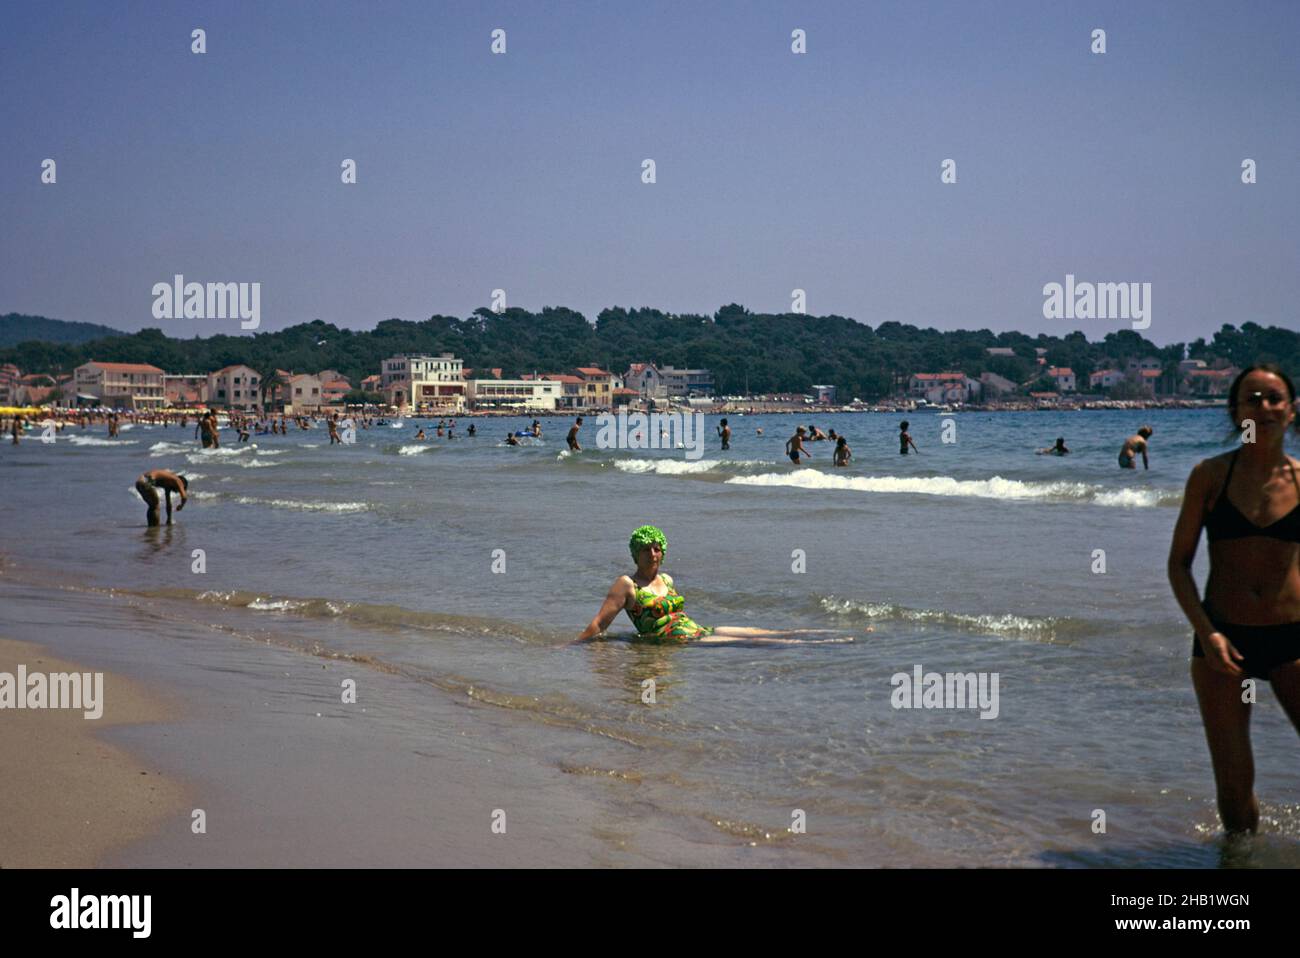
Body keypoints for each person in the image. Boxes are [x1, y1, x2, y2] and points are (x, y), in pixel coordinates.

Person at [1168, 364, 1300, 835]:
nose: (1262, 408)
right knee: (1233, 782)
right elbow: (1179, 564)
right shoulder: (1210, 476)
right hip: (1223, 639)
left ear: (1292, 410)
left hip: (1293, 642)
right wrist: (1208, 632)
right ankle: (1239, 867)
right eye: (1251, 399)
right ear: (1235, 411)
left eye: (1273, 398)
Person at [573, 526, 859, 645]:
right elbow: (600, 624)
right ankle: (828, 644)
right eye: (646, 549)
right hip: (683, 641)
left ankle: (835, 633)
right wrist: (572, 646)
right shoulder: (627, 584)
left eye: (657, 548)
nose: (653, 553)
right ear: (635, 553)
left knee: (761, 631)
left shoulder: (667, 579)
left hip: (697, 630)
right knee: (759, 644)